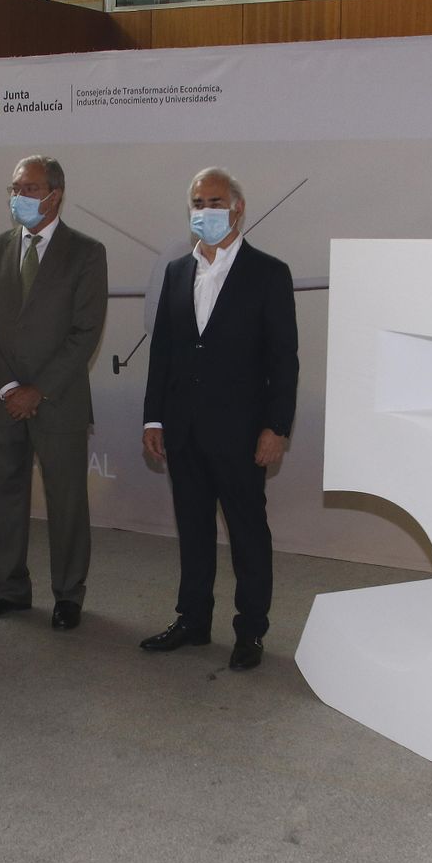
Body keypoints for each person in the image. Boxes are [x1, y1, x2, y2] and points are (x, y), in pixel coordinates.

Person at [140, 167, 298, 671]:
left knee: (248, 533)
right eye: (196, 202)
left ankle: (250, 630)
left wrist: (278, 428)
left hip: (242, 433)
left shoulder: (269, 273)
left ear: (237, 208)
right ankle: (192, 621)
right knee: (193, 529)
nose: (204, 210)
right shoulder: (176, 272)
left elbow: (283, 360)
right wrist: (153, 420)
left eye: (213, 201)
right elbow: (162, 352)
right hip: (183, 430)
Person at [0, 155, 108, 630]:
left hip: (58, 400)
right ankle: (9, 587)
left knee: (66, 500)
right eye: (14, 188)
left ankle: (68, 594)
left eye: (30, 189)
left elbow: (85, 332)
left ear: (55, 194)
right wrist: (9, 387)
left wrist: (37, 390)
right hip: (3, 399)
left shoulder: (86, 252)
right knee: (3, 495)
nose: (20, 197)